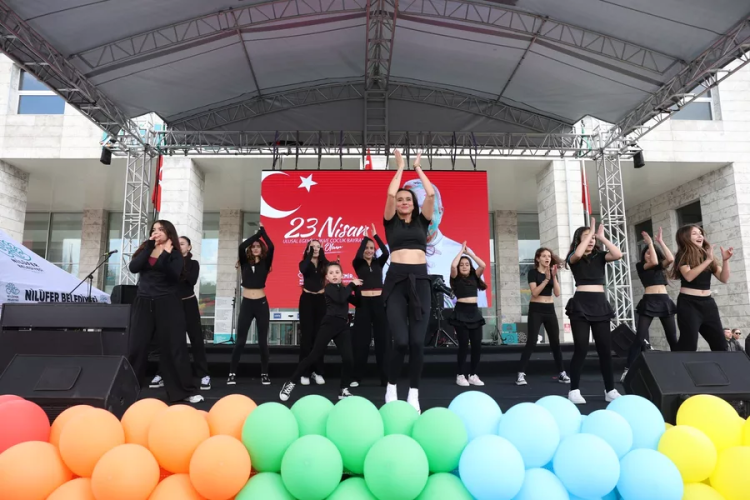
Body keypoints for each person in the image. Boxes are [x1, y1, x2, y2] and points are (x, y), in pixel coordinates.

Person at [128, 220, 203, 404]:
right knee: (137, 346)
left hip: (167, 302)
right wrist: (149, 247)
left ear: (169, 233)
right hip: (144, 301)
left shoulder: (175, 254)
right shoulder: (146, 249)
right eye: (154, 229)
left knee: (174, 347)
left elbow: (172, 275)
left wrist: (165, 254)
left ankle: (183, 392)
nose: (157, 232)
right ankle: (128, 391)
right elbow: (134, 267)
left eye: (161, 229)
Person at [383, 150, 435, 413]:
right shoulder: (390, 222)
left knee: (416, 342)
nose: (403, 201)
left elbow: (431, 195)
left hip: (421, 283)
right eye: (401, 199)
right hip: (396, 282)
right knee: (401, 342)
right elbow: (390, 194)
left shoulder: (422, 222)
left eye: (408, 199)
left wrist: (417, 168)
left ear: (414, 204)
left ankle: (414, 392)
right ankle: (391, 386)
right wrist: (400, 167)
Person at [385, 179, 488, 308]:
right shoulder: (386, 254)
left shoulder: (460, 253)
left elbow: (477, 302)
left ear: (440, 212)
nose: (422, 216)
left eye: (428, 209)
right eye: (415, 210)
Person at [280, 263, 361, 401]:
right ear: (327, 277)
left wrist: (357, 288)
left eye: (337, 272)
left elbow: (358, 302)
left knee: (349, 359)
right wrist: (352, 285)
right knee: (313, 355)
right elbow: (340, 298)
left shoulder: (343, 289)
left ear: (342, 275)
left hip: (343, 326)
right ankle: (291, 382)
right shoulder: (329, 289)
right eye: (331, 273)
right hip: (329, 324)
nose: (334, 275)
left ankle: (344, 389)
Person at [565, 217, 623, 405]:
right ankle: (574, 390)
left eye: (592, 238)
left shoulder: (600, 256)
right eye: (586, 237)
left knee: (605, 349)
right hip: (580, 305)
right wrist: (590, 232)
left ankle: (610, 390)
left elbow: (618, 254)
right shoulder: (573, 257)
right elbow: (577, 253)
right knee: (581, 348)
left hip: (599, 304)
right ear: (578, 240)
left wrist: (601, 237)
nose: (591, 240)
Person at [621, 228, 676, 382]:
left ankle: (678, 365)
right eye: (646, 253)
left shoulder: (660, 266)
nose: (649, 254)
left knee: (672, 337)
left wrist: (660, 242)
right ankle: (627, 369)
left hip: (664, 301)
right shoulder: (641, 266)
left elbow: (670, 258)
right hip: (649, 301)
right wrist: (650, 244)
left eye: (651, 252)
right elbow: (653, 261)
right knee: (640, 337)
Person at [670, 225, 732, 351]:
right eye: (695, 233)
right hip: (689, 304)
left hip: (708, 304)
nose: (700, 236)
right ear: (685, 237)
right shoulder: (683, 255)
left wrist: (725, 260)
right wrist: (708, 260)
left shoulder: (707, 255)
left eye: (700, 233)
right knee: (689, 344)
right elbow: (688, 276)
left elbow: (724, 278)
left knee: (721, 345)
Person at [228, 222, 274, 386]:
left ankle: (265, 373)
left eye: (258, 246)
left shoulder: (266, 263)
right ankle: (232, 373)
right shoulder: (244, 262)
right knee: (240, 341)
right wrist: (256, 236)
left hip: (261, 304)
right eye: (253, 246)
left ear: (262, 249)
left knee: (262, 341)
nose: (255, 248)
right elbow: (242, 246)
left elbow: (272, 246)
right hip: (247, 303)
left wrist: (263, 232)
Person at [516, 247, 569, 386]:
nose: (547, 258)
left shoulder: (552, 273)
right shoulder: (532, 273)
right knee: (531, 341)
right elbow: (534, 293)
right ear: (538, 258)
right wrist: (546, 279)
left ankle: (562, 372)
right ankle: (520, 374)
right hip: (536, 309)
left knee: (555, 342)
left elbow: (557, 293)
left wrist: (553, 277)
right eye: (544, 256)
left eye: (549, 256)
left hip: (549, 309)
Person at [351, 225, 390, 387]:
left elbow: (386, 252)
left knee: (383, 341)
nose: (369, 250)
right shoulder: (357, 263)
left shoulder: (378, 262)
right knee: (362, 341)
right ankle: (357, 377)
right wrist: (365, 239)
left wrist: (375, 236)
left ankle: (385, 378)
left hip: (379, 304)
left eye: (371, 248)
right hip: (364, 305)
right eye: (366, 248)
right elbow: (359, 254)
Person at [449, 243, 487, 387]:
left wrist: (469, 253)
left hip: (474, 312)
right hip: (461, 312)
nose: (464, 266)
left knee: (477, 345)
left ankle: (473, 374)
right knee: (463, 345)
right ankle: (460, 375)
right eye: (462, 265)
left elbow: (482, 265)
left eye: (467, 264)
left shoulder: (474, 276)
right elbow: (453, 266)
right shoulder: (456, 277)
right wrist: (461, 252)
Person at [297, 239, 329, 385]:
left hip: (321, 300)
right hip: (307, 300)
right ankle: (304, 372)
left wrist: (322, 255)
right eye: (312, 247)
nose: (315, 249)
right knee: (307, 337)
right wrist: (309, 255)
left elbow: (331, 270)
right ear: (308, 249)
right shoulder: (304, 263)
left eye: (318, 247)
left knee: (319, 337)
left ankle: (318, 371)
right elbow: (303, 269)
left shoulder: (324, 264)